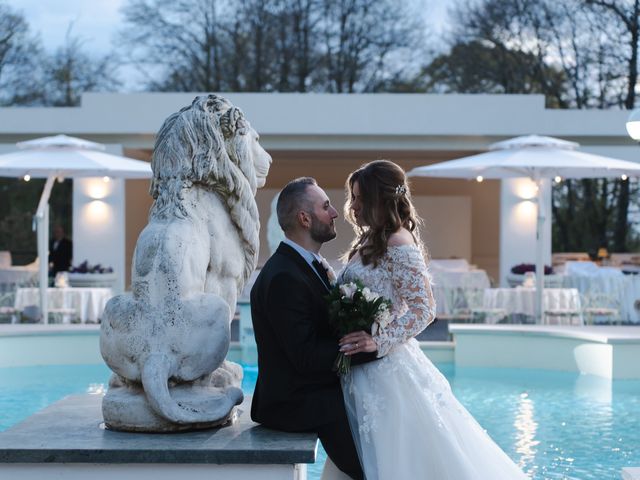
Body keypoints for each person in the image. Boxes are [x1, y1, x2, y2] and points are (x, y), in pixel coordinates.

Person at [338, 160, 529, 479]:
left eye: (359, 197)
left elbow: (424, 308)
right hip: (362, 373)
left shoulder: (398, 241)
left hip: (387, 373)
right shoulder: (368, 240)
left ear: (379, 199)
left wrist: (377, 341)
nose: (352, 205)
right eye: (353, 197)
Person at [250, 177, 377, 480]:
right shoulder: (284, 276)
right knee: (373, 463)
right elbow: (306, 357)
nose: (335, 212)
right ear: (304, 219)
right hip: (295, 401)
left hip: (312, 390)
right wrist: (371, 349)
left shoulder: (306, 264)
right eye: (325, 206)